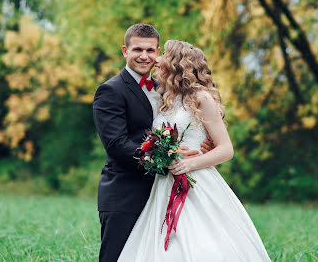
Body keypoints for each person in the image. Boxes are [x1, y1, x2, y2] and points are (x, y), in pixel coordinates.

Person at [118, 40, 271, 261]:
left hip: (196, 181)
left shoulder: (201, 98)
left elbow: (226, 149)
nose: (156, 60)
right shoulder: (166, 99)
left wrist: (188, 164)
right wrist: (162, 156)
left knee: (202, 243)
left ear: (177, 63)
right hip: (163, 184)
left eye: (163, 56)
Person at [93, 25, 213, 262]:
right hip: (125, 195)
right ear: (125, 51)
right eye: (137, 49)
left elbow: (190, 122)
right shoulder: (110, 90)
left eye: (150, 50)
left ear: (158, 52)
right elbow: (117, 145)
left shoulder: (165, 89)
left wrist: (202, 146)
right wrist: (166, 161)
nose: (144, 56)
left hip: (164, 194)